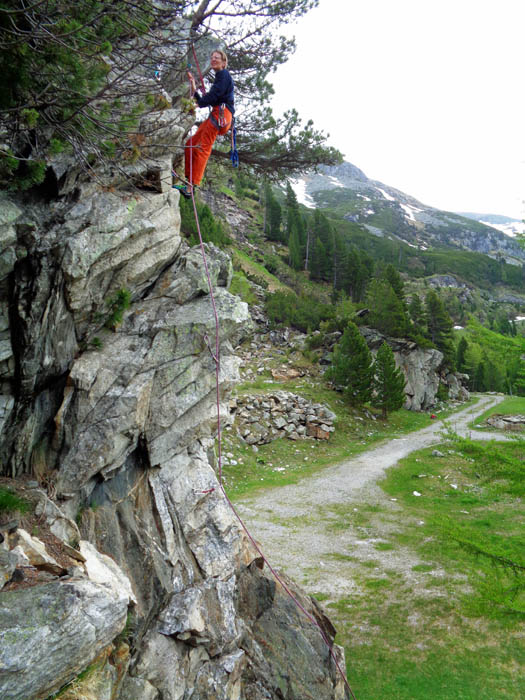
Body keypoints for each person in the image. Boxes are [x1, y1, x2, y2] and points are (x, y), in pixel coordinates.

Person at [174, 50, 234, 198]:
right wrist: (194, 89)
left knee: (202, 149)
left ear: (224, 63)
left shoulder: (224, 75)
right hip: (217, 115)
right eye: (212, 57)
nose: (213, 60)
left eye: (217, 58)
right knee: (190, 144)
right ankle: (188, 182)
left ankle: (190, 187)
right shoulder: (220, 77)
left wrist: (199, 103)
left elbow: (215, 96)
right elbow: (210, 98)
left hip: (221, 115)